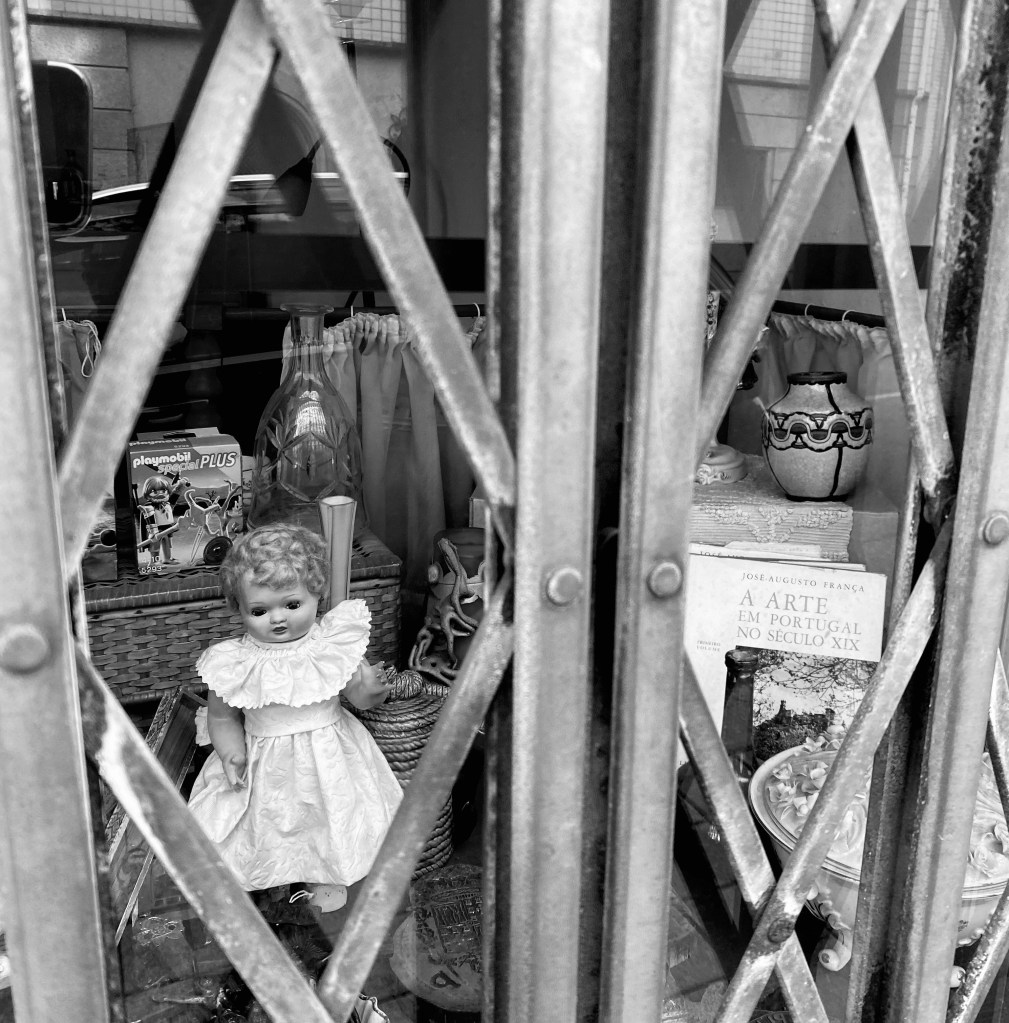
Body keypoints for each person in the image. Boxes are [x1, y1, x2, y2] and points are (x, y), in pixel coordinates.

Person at [188, 522, 403, 911]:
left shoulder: (332, 644)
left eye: (292, 605)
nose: (277, 619)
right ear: (239, 608)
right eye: (259, 610)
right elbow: (221, 718)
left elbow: (357, 695)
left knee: (328, 819)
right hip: (264, 760)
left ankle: (325, 875)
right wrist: (231, 753)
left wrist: (371, 688)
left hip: (329, 755)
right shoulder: (234, 662)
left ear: (316, 593)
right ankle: (274, 881)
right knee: (266, 822)